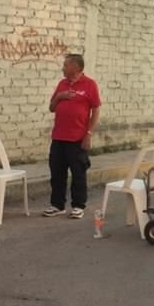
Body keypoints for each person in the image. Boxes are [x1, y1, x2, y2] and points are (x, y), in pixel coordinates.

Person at [44, 54, 101, 219]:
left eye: (65, 65)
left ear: (76, 67)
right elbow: (51, 108)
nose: (63, 68)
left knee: (78, 173)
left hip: (77, 138)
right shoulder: (62, 84)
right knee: (57, 173)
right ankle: (57, 204)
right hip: (59, 136)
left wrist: (88, 134)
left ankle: (78, 205)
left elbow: (96, 110)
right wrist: (59, 97)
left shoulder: (89, 85)